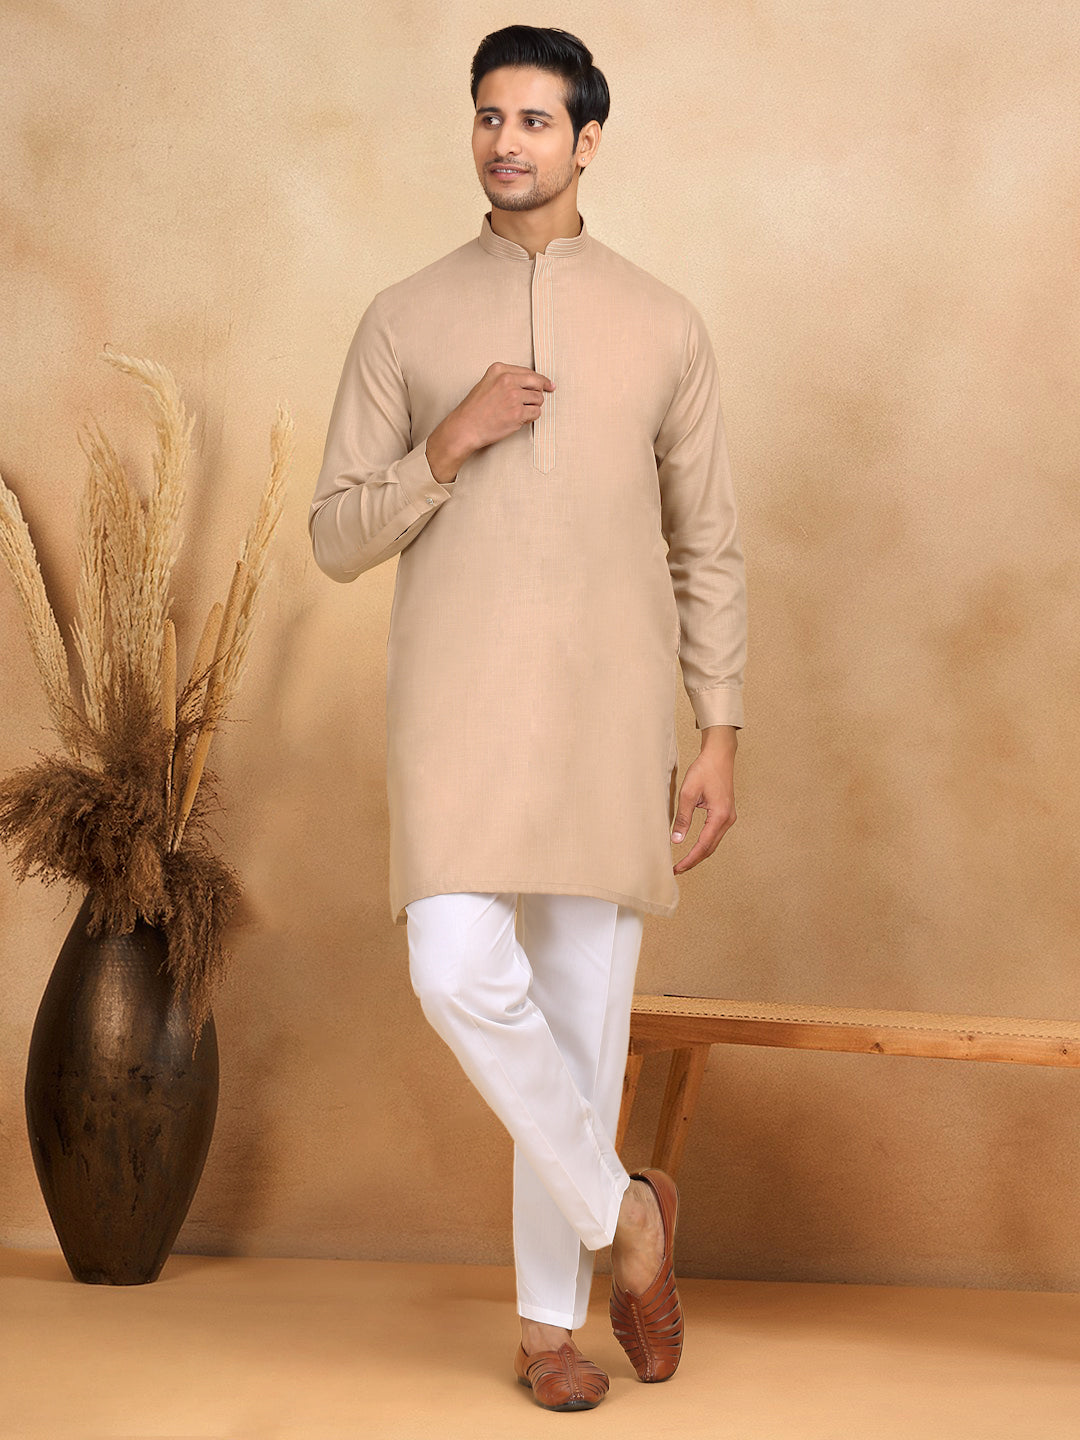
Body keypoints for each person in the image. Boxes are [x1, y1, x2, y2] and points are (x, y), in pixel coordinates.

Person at [308, 24, 747, 1412]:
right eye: (489, 117)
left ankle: (549, 1330)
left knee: (579, 1024)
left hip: (610, 715)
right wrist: (447, 442)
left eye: (536, 120)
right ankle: (631, 1218)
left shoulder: (665, 323)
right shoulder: (404, 316)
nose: (507, 142)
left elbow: (707, 545)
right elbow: (333, 536)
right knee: (456, 968)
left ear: (587, 141)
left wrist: (719, 727)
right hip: (455, 707)